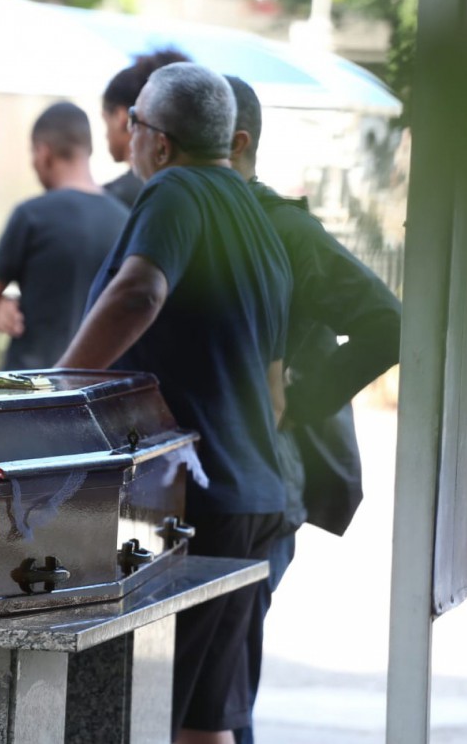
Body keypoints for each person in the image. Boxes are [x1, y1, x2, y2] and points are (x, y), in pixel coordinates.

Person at [57, 63, 292, 744]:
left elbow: (138, 293)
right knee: (202, 723)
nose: (127, 132)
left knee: (140, 717)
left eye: (133, 120)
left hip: (192, 504)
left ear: (158, 142)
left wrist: (60, 388)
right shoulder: (257, 217)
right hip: (254, 495)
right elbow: (275, 388)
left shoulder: (175, 190)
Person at [224, 75, 402, 744]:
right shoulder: (188, 215)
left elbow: (388, 322)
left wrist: (297, 402)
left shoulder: (283, 228)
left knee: (223, 685)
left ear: (235, 142)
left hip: (267, 475)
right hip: (214, 478)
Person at [0, 101, 128, 370]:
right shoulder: (125, 220)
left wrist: (1, 306)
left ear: (43, 152)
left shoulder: (31, 215)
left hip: (32, 383)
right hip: (96, 383)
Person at [100, 48, 191, 208]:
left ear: (122, 118)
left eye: (105, 120)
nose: (105, 135)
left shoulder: (110, 200)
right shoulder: (200, 192)